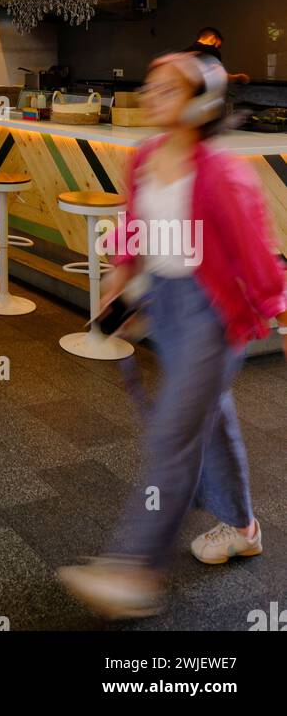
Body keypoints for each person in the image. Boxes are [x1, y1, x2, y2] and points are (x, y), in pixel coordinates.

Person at [58, 50, 287, 619]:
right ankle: (242, 526)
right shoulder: (146, 156)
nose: (152, 94)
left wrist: (280, 311)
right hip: (167, 303)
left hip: (213, 314)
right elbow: (135, 226)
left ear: (201, 103)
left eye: (169, 89)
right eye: (152, 85)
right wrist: (121, 274)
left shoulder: (223, 174)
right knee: (209, 422)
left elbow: (256, 258)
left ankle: (134, 570)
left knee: (173, 436)